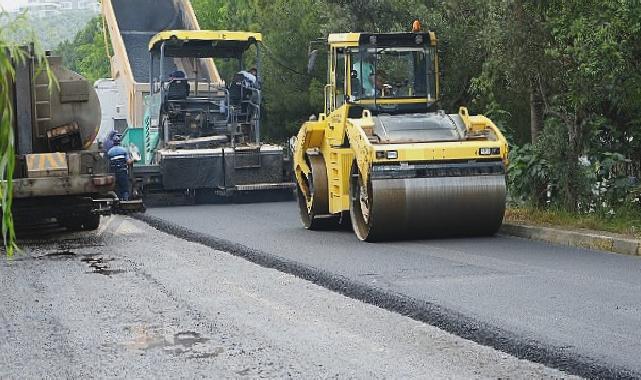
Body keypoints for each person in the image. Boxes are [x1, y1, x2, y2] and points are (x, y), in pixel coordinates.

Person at [107, 135, 132, 201]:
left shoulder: (110, 152)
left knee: (116, 187)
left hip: (114, 173)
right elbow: (128, 162)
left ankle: (118, 200)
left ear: (113, 143)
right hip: (122, 171)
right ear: (119, 142)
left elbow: (108, 163)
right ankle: (125, 200)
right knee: (124, 187)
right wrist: (133, 160)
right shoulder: (124, 150)